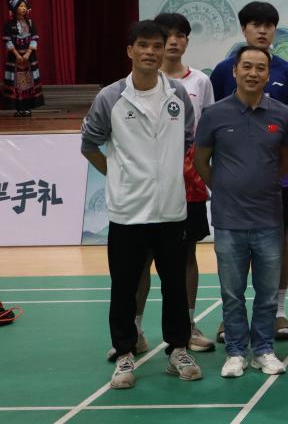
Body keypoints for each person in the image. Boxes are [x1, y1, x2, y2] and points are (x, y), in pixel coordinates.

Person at [81, 20, 202, 389]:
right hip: (128, 212)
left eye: (157, 46)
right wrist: (118, 174)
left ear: (164, 51)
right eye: (143, 46)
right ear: (130, 51)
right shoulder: (111, 97)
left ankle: (178, 350)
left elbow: (187, 141)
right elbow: (90, 145)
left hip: (171, 210)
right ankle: (124, 353)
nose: (151, 52)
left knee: (174, 286)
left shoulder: (177, 95)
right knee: (124, 286)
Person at [194, 46, 288, 378]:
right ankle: (236, 352)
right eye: (247, 67)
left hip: (269, 218)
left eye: (260, 68)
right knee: (232, 293)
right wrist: (225, 187)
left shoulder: (282, 114)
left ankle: (263, 349)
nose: (253, 73)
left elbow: (284, 162)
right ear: (235, 71)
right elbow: (201, 161)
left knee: (267, 294)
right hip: (228, 220)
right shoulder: (214, 114)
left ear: (268, 74)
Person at [209, 1, 288, 342]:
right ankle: (229, 318)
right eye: (255, 25)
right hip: (234, 182)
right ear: (243, 29)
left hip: (276, 178)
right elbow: (215, 121)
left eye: (268, 25)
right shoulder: (223, 71)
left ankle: (277, 311)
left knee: (277, 242)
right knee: (234, 248)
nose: (262, 30)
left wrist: (279, 174)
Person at [156, 13, 216, 352]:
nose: (173, 41)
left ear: (187, 41)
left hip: (189, 180)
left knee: (187, 254)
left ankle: (188, 324)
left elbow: (207, 130)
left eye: (180, 35)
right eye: (167, 35)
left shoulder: (201, 82)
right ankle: (134, 329)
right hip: (148, 183)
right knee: (142, 258)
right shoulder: (139, 82)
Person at [2, 0, 44, 116]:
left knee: (28, 82)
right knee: (17, 83)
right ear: (15, 8)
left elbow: (34, 38)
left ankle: (27, 107)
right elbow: (8, 41)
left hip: (29, 58)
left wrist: (27, 54)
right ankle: (19, 108)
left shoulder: (30, 23)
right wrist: (18, 56)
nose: (24, 8)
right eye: (21, 6)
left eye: (25, 6)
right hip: (15, 58)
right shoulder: (9, 24)